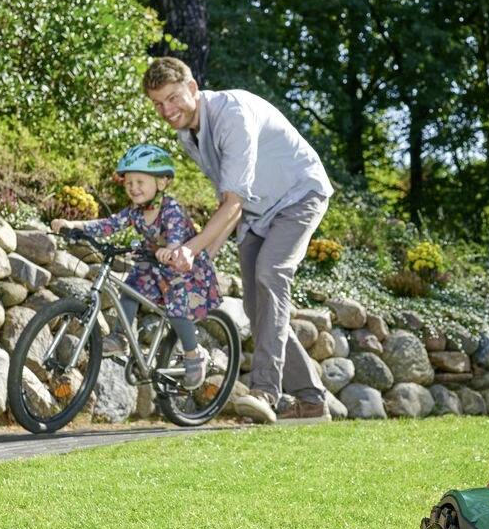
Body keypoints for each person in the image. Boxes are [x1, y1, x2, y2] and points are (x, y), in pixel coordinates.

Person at [141, 55, 333, 420]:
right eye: (158, 104)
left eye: (172, 98)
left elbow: (233, 203)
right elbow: (230, 204)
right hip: (257, 212)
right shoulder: (189, 135)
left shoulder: (232, 114)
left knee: (270, 274)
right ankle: (311, 400)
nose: (166, 110)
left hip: (298, 196)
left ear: (193, 88)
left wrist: (190, 249)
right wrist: (200, 259)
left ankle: (265, 391)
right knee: (254, 308)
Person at [52, 143, 221, 391]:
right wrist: (75, 226)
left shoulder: (171, 209)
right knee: (130, 288)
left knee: (176, 307)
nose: (133, 188)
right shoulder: (135, 211)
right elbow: (109, 225)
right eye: (129, 183)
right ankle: (121, 337)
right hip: (153, 263)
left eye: (140, 182)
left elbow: (175, 237)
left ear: (161, 183)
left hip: (184, 266)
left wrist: (170, 249)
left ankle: (193, 354)